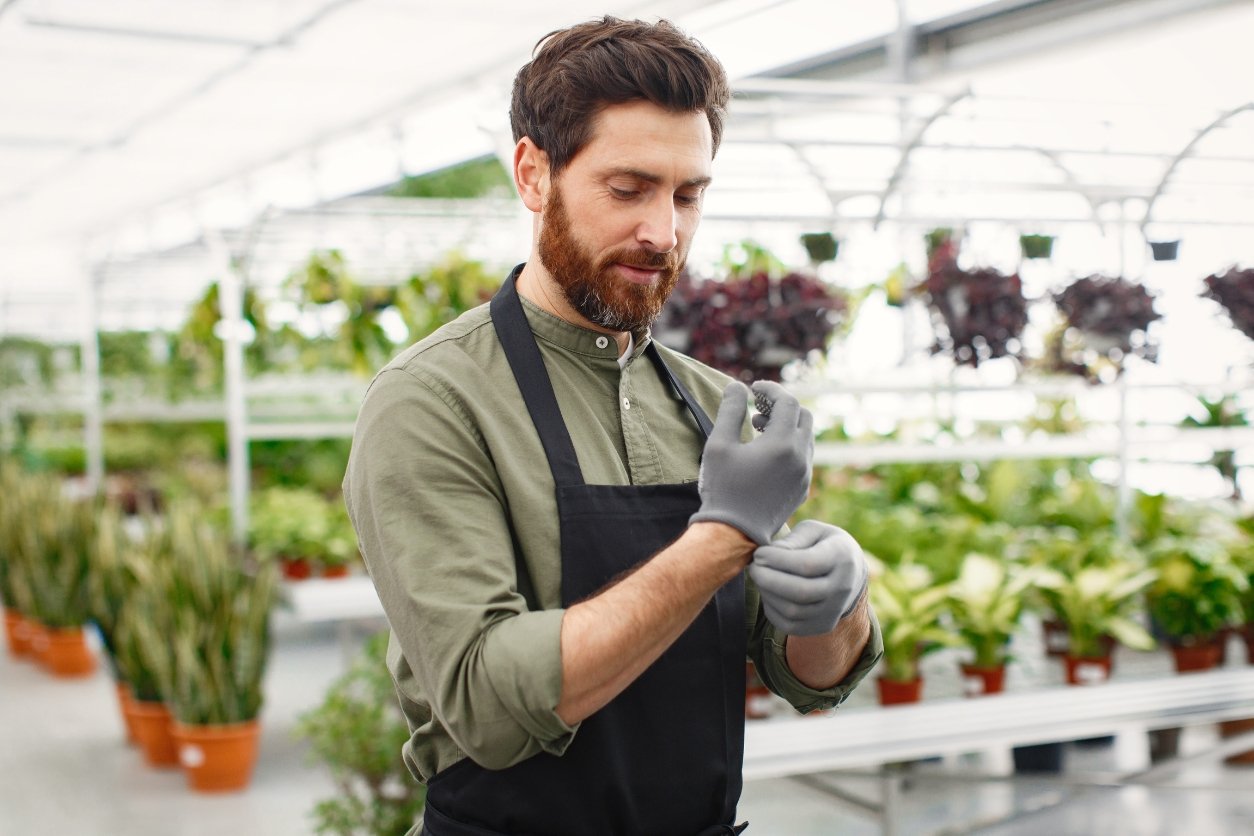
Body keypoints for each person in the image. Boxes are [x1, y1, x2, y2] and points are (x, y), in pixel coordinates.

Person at [343, 16, 882, 836]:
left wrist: (838, 605)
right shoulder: (433, 401)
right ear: (533, 173)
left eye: (688, 195)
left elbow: (809, 679)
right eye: (628, 189)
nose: (664, 233)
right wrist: (722, 535)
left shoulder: (713, 403)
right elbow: (487, 703)